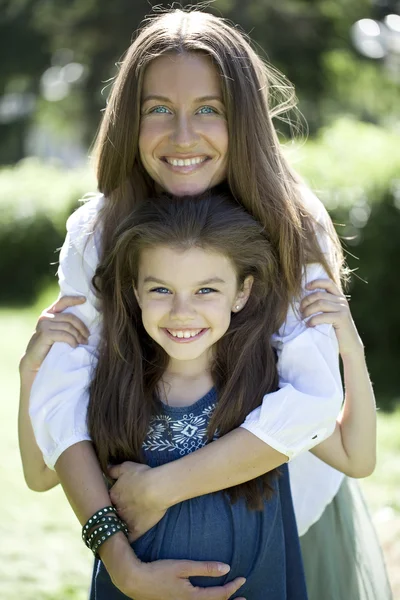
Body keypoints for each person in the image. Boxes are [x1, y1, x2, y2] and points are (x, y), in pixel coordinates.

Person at [26, 6, 366, 598]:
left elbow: (311, 402)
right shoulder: (95, 234)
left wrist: (163, 488)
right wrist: (120, 561)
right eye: (159, 110)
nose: (183, 136)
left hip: (281, 518)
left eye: (209, 109)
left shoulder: (294, 226)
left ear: (246, 121)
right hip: (138, 534)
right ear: (129, 120)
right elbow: (60, 409)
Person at [21, 193, 377, 600]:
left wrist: (350, 347)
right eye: (161, 290)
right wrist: (31, 373)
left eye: (206, 289)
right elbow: (39, 475)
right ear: (136, 292)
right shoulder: (114, 387)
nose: (182, 311)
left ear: (242, 293)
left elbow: (357, 457)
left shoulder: (267, 389)